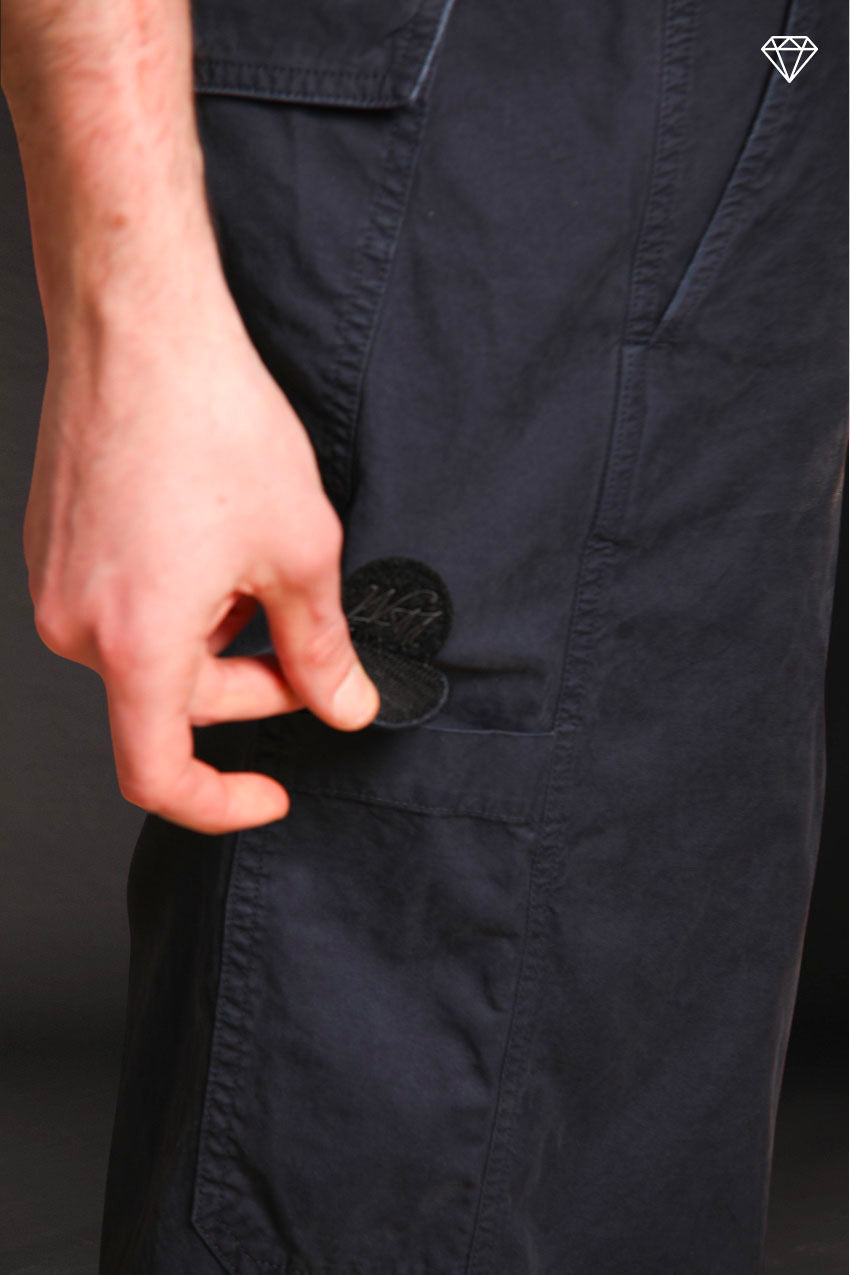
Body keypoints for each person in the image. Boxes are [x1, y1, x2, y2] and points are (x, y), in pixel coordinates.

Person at [2, 0, 845, 1272]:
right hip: (480, 112)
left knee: (631, 1044)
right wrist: (130, 313)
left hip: (766, 82)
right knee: (404, 1043)